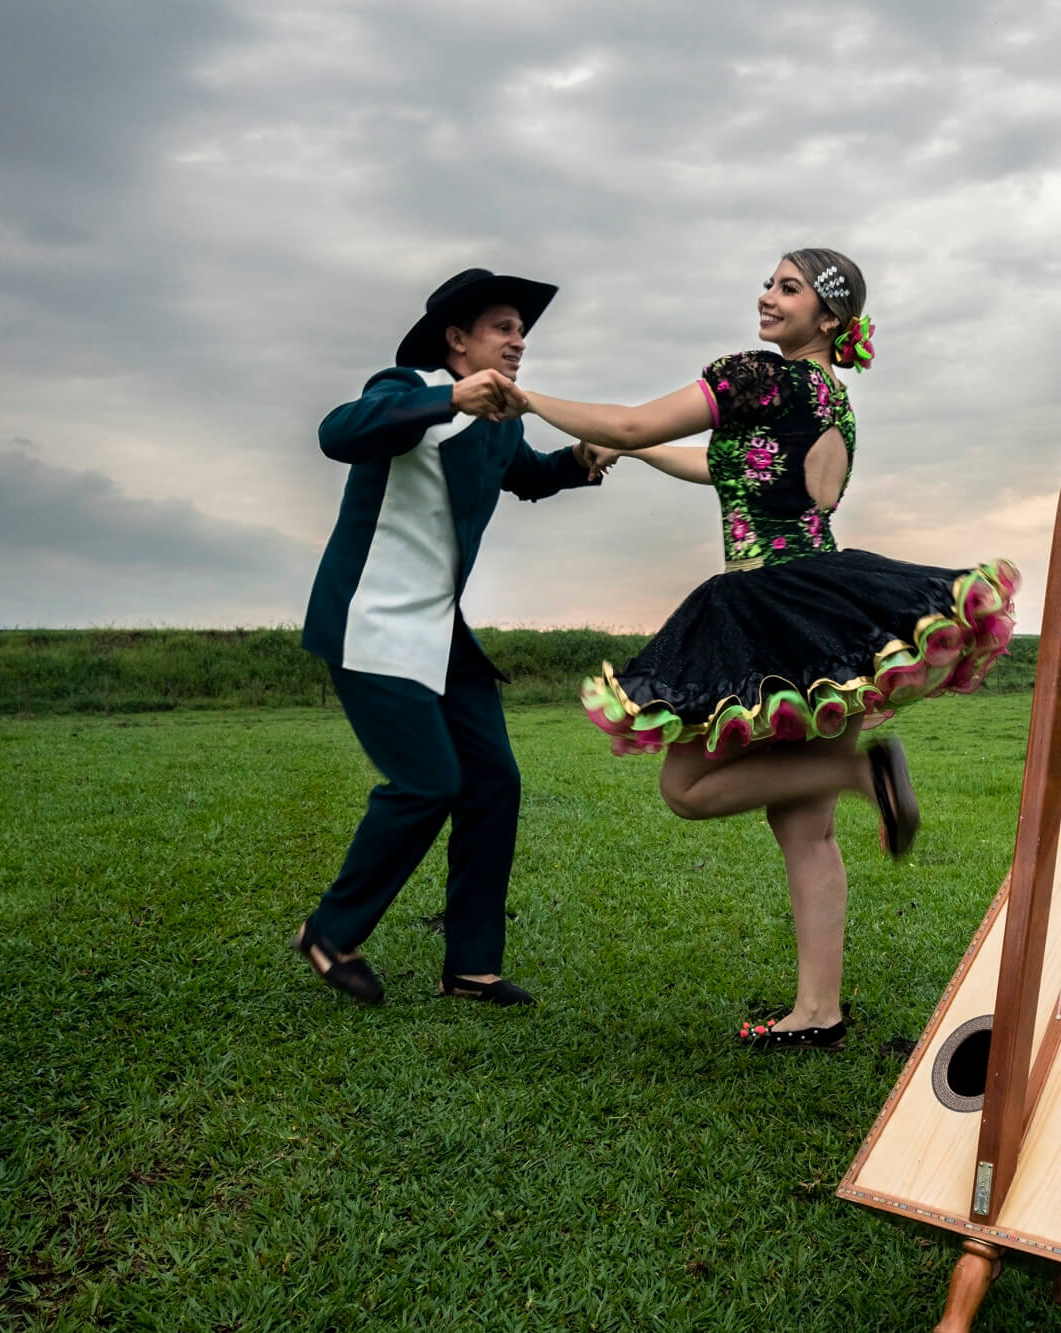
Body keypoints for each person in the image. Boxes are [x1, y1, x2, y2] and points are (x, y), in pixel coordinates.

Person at [520, 248, 1017, 1052]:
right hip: (825, 604)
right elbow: (722, 471)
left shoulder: (759, 376)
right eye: (769, 282)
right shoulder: (828, 397)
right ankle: (817, 1011)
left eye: (787, 288)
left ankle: (864, 772)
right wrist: (640, 454)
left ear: (828, 318)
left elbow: (632, 420)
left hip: (767, 597)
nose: (766, 296)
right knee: (806, 831)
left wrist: (525, 399)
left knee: (684, 786)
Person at [295, 268, 614, 1007]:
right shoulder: (405, 386)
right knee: (428, 783)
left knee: (494, 782)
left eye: (521, 329)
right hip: (369, 620)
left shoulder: (504, 422)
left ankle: (470, 965)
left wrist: (576, 463)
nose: (519, 340)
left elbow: (525, 475)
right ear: (457, 339)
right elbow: (336, 432)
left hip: (442, 633)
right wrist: (445, 396)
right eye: (503, 327)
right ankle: (329, 931)